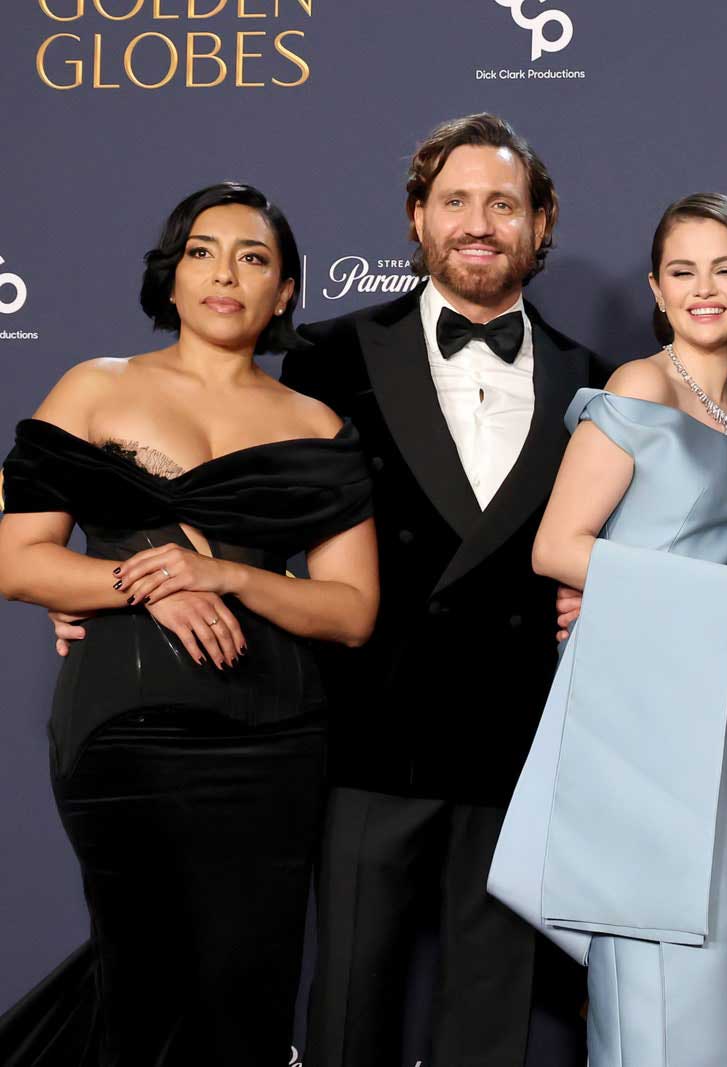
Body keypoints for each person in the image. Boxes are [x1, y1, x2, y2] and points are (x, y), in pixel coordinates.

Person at [0, 182, 378, 1066]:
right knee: (143, 983)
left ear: (285, 291)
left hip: (275, 741)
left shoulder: (316, 426)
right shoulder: (94, 387)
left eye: (255, 258)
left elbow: (353, 611)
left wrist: (230, 575)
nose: (226, 274)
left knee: (248, 995)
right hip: (120, 734)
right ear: (170, 277)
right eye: (203, 252)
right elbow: (18, 558)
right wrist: (147, 583)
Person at [277, 114, 598, 1066]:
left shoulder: (594, 379)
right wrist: (133, 584)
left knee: (490, 1017)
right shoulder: (326, 355)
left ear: (540, 226)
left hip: (520, 744)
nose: (478, 222)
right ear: (418, 218)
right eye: (454, 200)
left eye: (505, 203)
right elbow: (242, 505)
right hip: (372, 731)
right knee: (348, 1006)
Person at [488, 192, 727, 1066]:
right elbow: (557, 548)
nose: (705, 289)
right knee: (657, 969)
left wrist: (694, 598)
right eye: (682, 271)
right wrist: (708, 595)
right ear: (656, 290)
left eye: (724, 270)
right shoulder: (637, 385)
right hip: (644, 714)